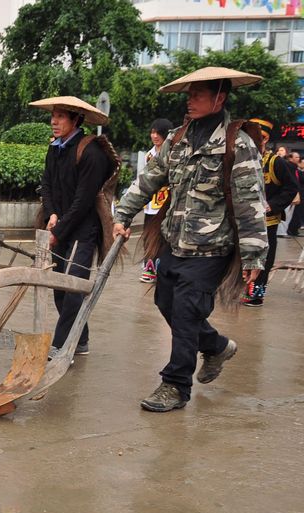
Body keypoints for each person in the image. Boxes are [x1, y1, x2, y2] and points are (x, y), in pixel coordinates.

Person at [114, 66, 268, 413]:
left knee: (186, 312)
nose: (190, 100)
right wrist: (122, 214)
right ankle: (215, 346)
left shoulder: (236, 143)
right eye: (188, 94)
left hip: (211, 248)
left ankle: (175, 386)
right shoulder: (178, 138)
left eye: (198, 94)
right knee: (165, 303)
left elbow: (250, 203)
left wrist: (254, 257)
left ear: (220, 97)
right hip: (174, 242)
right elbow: (150, 179)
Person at [30, 96, 117, 358]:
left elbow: (83, 200)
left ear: (76, 120)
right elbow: (47, 183)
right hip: (60, 223)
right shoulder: (55, 147)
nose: (54, 122)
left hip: (82, 230)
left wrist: (58, 231)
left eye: (60, 117)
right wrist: (52, 213)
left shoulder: (91, 152)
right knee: (59, 288)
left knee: (72, 287)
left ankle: (61, 345)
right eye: (52, 116)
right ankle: (81, 339)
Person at [240, 119, 299, 307]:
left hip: (268, 222)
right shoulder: (241, 158)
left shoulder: (276, 162)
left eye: (259, 138)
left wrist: (271, 205)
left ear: (265, 140)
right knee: (241, 256)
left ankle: (256, 294)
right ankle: (239, 289)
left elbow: (291, 189)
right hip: (244, 220)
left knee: (264, 258)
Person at [139, 118, 174, 283]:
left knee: (163, 236)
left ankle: (162, 268)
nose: (154, 136)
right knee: (148, 235)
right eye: (152, 132)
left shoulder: (173, 152)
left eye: (158, 133)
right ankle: (149, 267)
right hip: (150, 202)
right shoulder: (149, 154)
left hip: (167, 201)